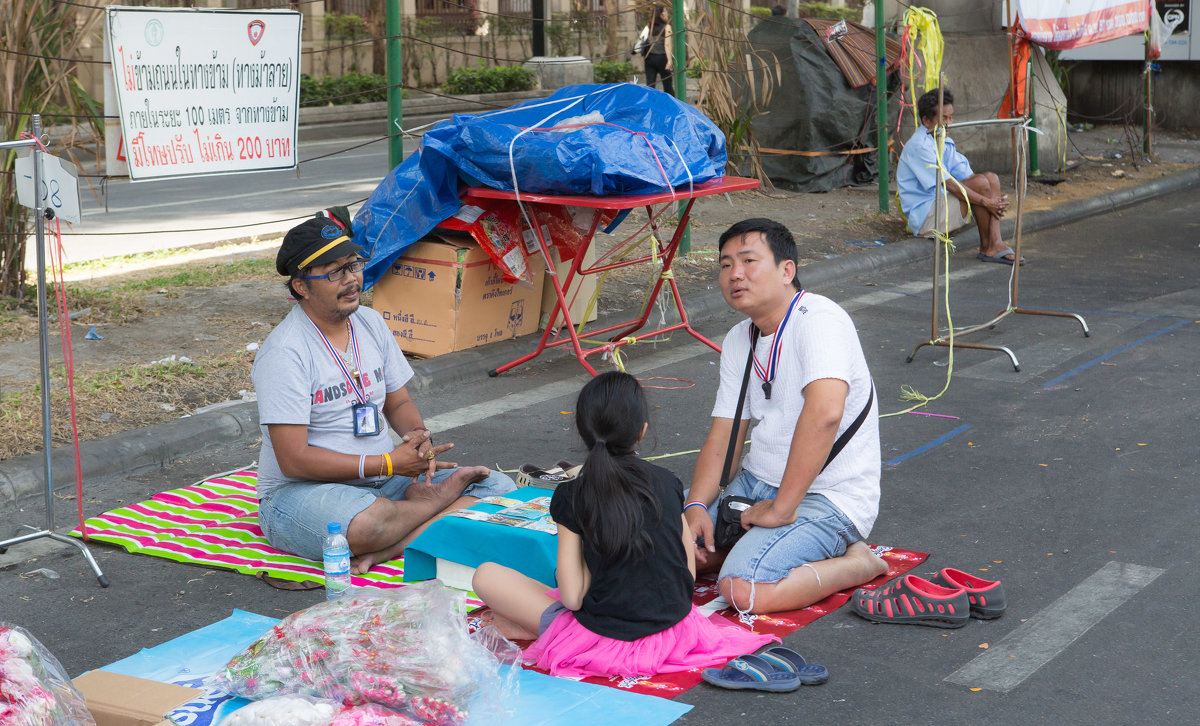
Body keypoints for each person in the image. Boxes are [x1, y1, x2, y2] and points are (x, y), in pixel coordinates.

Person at [252, 207, 516, 573]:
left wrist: (417, 439)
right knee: (368, 523)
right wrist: (389, 462)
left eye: (354, 265)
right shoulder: (285, 352)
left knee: (498, 491)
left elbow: (399, 401)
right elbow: (293, 459)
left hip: (381, 482)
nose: (351, 279)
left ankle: (396, 544)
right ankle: (426, 510)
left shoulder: (370, 323)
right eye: (335, 272)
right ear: (301, 286)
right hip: (302, 493)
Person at [472, 372, 777, 678]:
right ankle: (532, 626)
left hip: (600, 639)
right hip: (676, 630)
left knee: (487, 575)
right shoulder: (667, 481)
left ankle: (535, 629)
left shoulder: (571, 494)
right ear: (642, 430)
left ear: (582, 430)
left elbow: (573, 598)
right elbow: (687, 574)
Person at [685, 218, 888, 615]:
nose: (735, 274)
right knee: (667, 553)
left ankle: (858, 562)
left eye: (748, 260)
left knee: (743, 589)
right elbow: (725, 433)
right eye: (726, 265)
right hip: (755, 483)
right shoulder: (739, 338)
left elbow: (826, 412)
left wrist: (781, 509)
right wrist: (694, 506)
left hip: (827, 495)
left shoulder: (819, 319)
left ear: (786, 270)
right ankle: (738, 546)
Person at [897, 88, 1023, 265]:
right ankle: (991, 245)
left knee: (991, 178)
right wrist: (987, 201)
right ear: (926, 120)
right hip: (926, 217)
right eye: (944, 119)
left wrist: (993, 196)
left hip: (943, 204)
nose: (949, 124)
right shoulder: (919, 145)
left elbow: (970, 177)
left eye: (951, 117)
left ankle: (994, 244)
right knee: (982, 187)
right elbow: (950, 185)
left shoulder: (945, 141)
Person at [641, 6, 675, 96]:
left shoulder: (649, 25)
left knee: (650, 85)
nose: (667, 15)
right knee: (668, 86)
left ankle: (650, 106)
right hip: (662, 58)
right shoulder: (667, 27)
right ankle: (670, 107)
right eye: (665, 13)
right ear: (661, 15)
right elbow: (667, 44)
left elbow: (642, 38)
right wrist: (669, 61)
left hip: (649, 58)